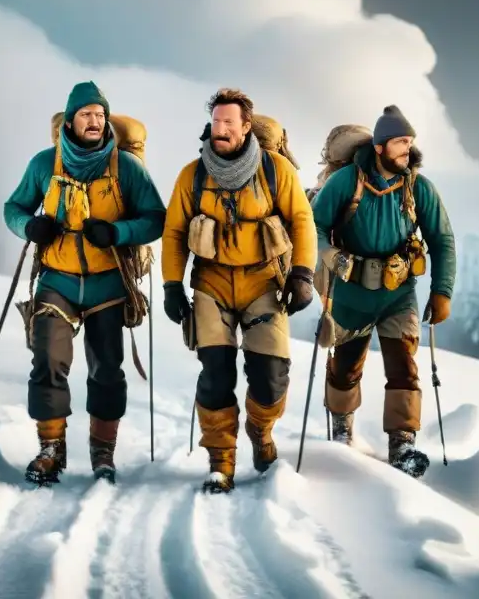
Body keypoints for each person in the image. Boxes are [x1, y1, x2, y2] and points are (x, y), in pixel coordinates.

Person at [4, 81, 166, 485]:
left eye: (100, 114)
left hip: (108, 283)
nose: (94, 122)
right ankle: (51, 449)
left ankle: (102, 453)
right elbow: (13, 208)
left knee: (107, 369)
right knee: (47, 360)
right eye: (86, 115)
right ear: (71, 122)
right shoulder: (45, 163)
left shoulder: (126, 168)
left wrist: (117, 233)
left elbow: (155, 218)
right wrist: (29, 225)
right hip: (57, 279)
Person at [161, 89, 317, 493]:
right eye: (216, 122)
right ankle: (221, 460)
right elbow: (175, 232)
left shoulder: (275, 171)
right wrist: (171, 285)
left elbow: (301, 221)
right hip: (212, 281)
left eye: (229, 122)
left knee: (270, 376)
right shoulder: (192, 175)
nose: (221, 129)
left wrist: (302, 274)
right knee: (215, 374)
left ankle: (260, 431)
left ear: (247, 127)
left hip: (264, 281)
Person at [311, 105, 456, 477]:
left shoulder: (417, 186)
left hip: (398, 293)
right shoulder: (345, 181)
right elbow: (314, 222)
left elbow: (441, 239)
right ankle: (342, 431)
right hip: (350, 292)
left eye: (409, 141)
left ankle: (402, 445)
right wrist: (328, 252)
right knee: (344, 369)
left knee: (404, 367)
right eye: (400, 141)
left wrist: (442, 291)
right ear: (379, 146)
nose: (407, 148)